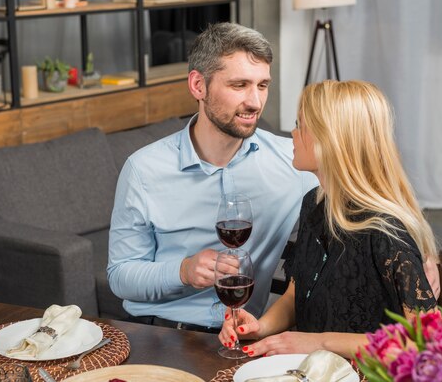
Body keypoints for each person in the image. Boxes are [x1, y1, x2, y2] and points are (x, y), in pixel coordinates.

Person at [107, 22, 319, 332]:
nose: (255, 102)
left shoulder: (293, 161)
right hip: (159, 333)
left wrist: (414, 246)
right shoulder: (144, 169)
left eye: (262, 85)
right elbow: (120, 277)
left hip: (243, 336)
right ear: (198, 86)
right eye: (239, 85)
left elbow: (361, 190)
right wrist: (183, 270)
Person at [218, 79, 439, 357]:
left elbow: (429, 344)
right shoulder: (314, 204)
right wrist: (260, 327)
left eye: (301, 125)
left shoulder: (385, 232)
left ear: (331, 140)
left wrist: (319, 342)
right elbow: (295, 296)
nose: (293, 134)